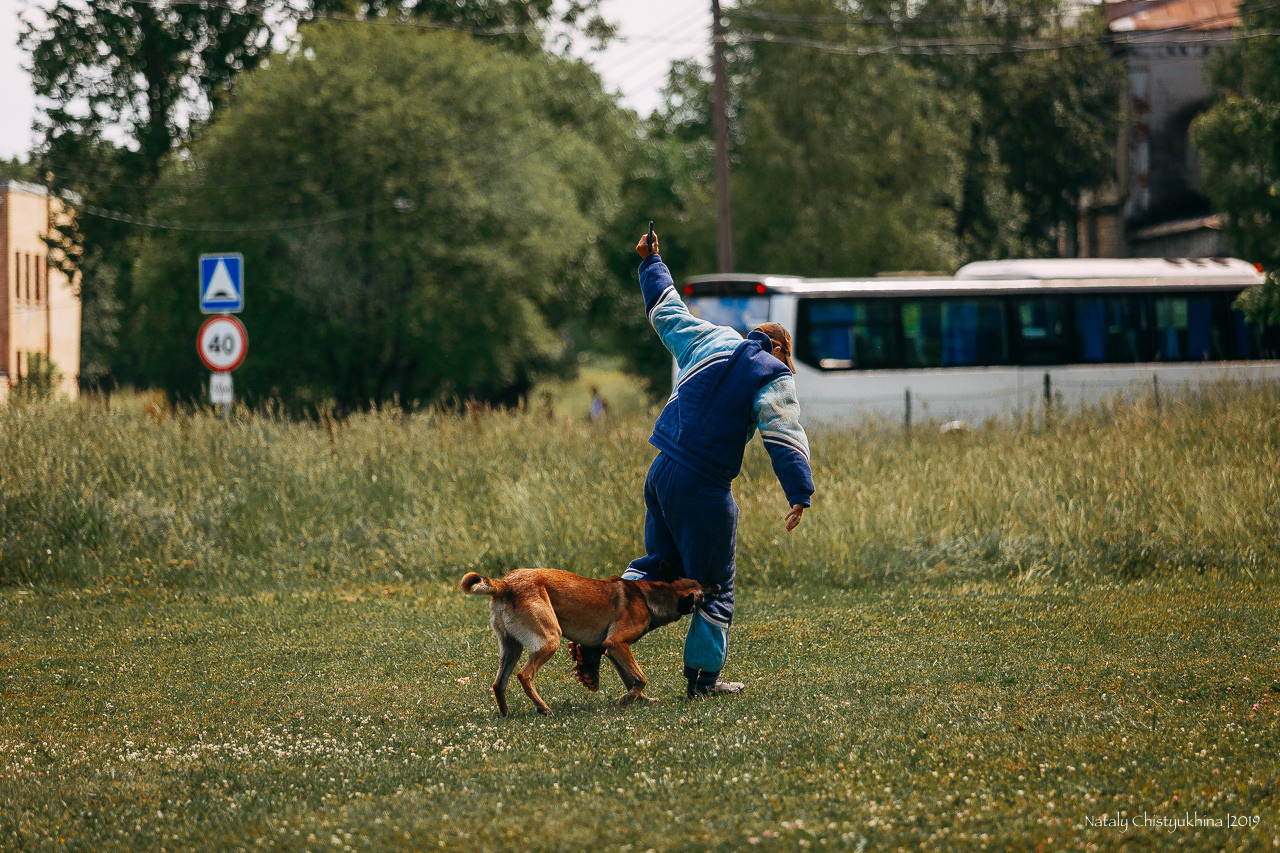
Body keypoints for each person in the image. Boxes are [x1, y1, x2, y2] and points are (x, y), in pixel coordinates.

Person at [571, 229, 814, 699]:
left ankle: (599, 629)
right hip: (703, 486)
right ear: (780, 349)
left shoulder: (711, 339)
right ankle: (704, 681)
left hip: (661, 470)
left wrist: (651, 261)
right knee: (713, 585)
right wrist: (799, 492)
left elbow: (667, 311)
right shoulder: (772, 372)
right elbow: (783, 431)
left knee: (659, 566)